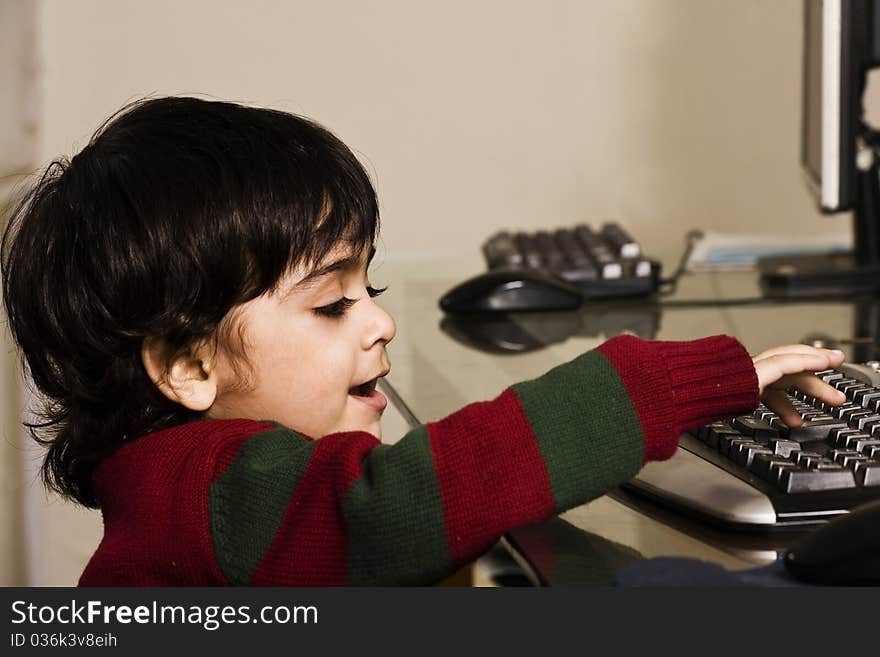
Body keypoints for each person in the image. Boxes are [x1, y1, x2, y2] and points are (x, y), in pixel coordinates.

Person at [0, 97, 847, 586]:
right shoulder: (214, 489)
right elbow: (396, 504)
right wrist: (678, 380)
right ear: (187, 365)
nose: (379, 320)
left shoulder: (176, 483)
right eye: (331, 304)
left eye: (369, 287)